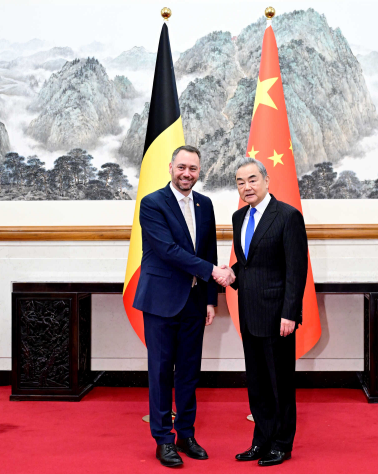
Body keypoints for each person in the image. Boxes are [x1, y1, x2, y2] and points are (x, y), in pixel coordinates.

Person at [133, 145, 235, 467]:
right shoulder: (152, 203)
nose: (186, 173)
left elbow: (207, 250)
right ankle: (163, 439)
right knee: (162, 372)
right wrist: (213, 272)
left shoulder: (205, 204)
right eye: (181, 167)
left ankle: (186, 435)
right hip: (161, 301)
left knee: (189, 373)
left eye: (193, 168)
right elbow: (168, 250)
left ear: (199, 171)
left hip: (194, 302)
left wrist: (210, 299)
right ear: (170, 168)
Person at [220, 157, 308, 467]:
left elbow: (296, 270)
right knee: (257, 384)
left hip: (277, 316)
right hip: (249, 314)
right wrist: (231, 274)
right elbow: (249, 263)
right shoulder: (238, 217)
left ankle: (282, 444)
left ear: (267, 181)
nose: (247, 187)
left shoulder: (288, 216)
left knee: (279, 384)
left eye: (252, 179)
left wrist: (290, 313)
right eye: (240, 182)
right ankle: (261, 440)